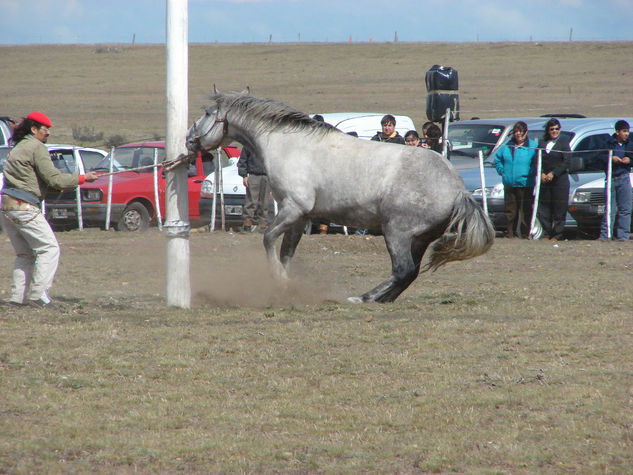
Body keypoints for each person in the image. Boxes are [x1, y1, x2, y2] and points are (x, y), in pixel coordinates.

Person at [0, 112, 99, 308]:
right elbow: (54, 179)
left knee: (24, 255)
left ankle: (17, 298)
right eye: (45, 129)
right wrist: (82, 178)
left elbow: (39, 180)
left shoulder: (18, 147)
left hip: (7, 207)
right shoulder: (37, 147)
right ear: (33, 129)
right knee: (48, 248)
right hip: (24, 207)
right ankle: (39, 295)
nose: (48, 133)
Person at [494, 121, 537, 238]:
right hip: (509, 183)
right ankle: (511, 233)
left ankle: (524, 234)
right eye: (516, 131)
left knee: (525, 211)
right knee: (510, 211)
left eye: (521, 131)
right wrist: (502, 171)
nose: (518, 134)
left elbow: (537, 163)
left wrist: (531, 173)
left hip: (525, 184)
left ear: (526, 132)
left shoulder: (533, 147)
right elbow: (497, 159)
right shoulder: (507, 146)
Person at [537, 118, 572, 241]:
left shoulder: (564, 143)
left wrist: (554, 173)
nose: (554, 131)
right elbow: (537, 160)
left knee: (559, 208)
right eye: (552, 129)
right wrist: (541, 173)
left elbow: (566, 162)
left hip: (560, 181)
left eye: (557, 129)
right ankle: (546, 233)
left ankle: (557, 234)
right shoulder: (542, 143)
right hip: (545, 181)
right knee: (544, 208)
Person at [598, 120, 633, 241]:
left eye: (627, 131)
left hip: (624, 178)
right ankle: (605, 235)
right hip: (611, 178)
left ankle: (623, 236)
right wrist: (610, 158)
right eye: (624, 131)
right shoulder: (608, 143)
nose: (626, 134)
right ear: (617, 132)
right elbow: (598, 157)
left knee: (625, 209)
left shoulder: (629, 145)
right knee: (610, 209)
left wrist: (629, 160)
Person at [237, 144, 271, 233]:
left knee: (264, 202)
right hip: (253, 174)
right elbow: (242, 161)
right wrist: (244, 176)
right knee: (251, 201)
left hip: (267, 176)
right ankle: (247, 223)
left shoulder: (269, 145)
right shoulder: (249, 145)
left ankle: (263, 224)